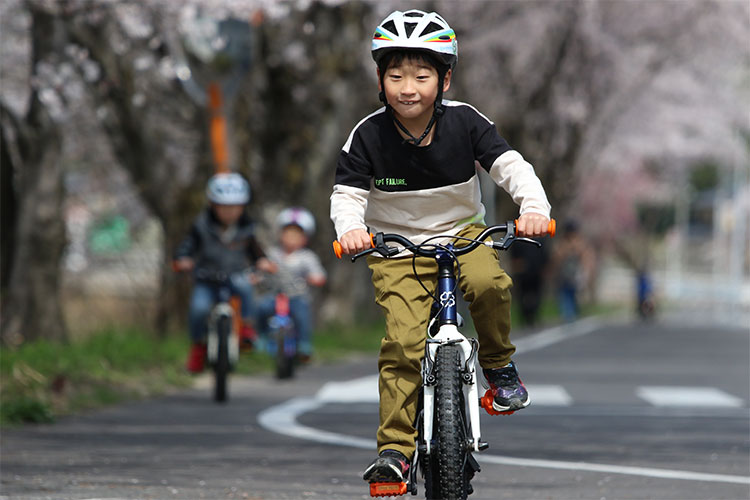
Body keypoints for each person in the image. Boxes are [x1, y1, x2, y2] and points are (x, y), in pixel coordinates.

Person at [329, 10, 553, 485]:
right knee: (402, 345)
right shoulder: (367, 135)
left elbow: (510, 166)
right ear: (380, 78)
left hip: (463, 234)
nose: (407, 87)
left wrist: (533, 206)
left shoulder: (465, 123)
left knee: (490, 282)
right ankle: (394, 451)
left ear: (445, 79)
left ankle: (499, 367)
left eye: (422, 75)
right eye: (395, 76)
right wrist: (350, 229)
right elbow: (347, 195)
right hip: (395, 247)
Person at [173, 172, 276, 373]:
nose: (230, 212)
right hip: (206, 277)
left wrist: (263, 261)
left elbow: (255, 250)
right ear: (213, 205)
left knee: (245, 287)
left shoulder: (246, 228)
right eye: (224, 207)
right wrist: (182, 259)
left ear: (243, 207)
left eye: (235, 207)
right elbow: (188, 246)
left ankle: (247, 328)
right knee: (199, 309)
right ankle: (198, 347)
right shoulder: (201, 226)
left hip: (235, 274)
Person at [255, 207, 327, 361]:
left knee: (302, 315)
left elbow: (318, 274)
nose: (291, 238)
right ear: (281, 235)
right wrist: (260, 273)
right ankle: (261, 337)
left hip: (297, 296)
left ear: (304, 238)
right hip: (276, 295)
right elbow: (260, 271)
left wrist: (315, 278)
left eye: (296, 235)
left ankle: (304, 345)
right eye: (288, 233)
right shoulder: (273, 254)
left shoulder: (306, 257)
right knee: (261, 308)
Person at [551, 220, 595, 322]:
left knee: (575, 298)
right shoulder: (561, 244)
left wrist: (586, 274)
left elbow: (587, 258)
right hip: (564, 276)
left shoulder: (582, 244)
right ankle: (568, 316)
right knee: (565, 298)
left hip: (576, 276)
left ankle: (573, 315)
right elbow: (556, 258)